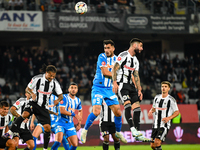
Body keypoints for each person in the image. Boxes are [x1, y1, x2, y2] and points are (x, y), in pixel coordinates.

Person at [4, 64, 63, 150]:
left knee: (47, 128)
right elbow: (27, 89)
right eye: (50, 76)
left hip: (43, 107)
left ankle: (45, 149)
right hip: (34, 103)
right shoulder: (37, 78)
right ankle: (9, 132)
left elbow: (60, 95)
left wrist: (57, 100)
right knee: (25, 113)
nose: (51, 78)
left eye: (53, 76)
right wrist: (32, 93)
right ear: (46, 73)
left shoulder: (55, 83)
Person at [81, 40, 127, 144]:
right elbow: (105, 72)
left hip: (109, 89)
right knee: (96, 111)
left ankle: (118, 132)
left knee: (118, 113)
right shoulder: (102, 57)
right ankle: (85, 130)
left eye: (108, 48)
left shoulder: (117, 59)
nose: (106, 50)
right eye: (105, 48)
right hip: (98, 88)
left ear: (113, 48)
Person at [112, 38, 150, 142]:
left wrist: (139, 90)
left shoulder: (136, 60)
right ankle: (132, 129)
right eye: (140, 46)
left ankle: (137, 133)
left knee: (137, 109)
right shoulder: (123, 55)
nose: (141, 49)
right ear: (134, 45)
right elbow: (114, 68)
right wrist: (115, 82)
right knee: (127, 105)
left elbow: (136, 76)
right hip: (122, 85)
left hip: (131, 86)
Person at [148, 81, 179, 150]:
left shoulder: (171, 100)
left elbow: (177, 112)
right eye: (162, 86)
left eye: (165, 87)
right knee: (152, 145)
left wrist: (169, 118)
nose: (163, 88)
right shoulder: (156, 97)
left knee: (157, 142)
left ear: (168, 89)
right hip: (155, 124)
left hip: (164, 125)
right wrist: (151, 110)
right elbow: (154, 107)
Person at [53, 82, 82, 150]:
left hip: (70, 124)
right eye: (71, 88)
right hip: (60, 123)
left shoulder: (78, 100)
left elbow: (80, 110)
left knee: (75, 144)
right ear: (68, 89)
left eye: (75, 88)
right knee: (58, 141)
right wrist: (74, 115)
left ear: (77, 90)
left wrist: (79, 123)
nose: (73, 89)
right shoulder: (64, 98)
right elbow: (62, 111)